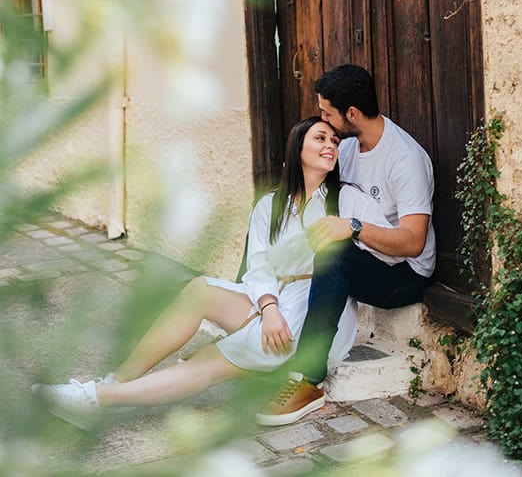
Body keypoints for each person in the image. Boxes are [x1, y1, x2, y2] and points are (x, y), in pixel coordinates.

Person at [32, 117, 361, 430]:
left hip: (310, 311)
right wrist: (269, 307)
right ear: (297, 147)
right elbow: (258, 265)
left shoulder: (341, 202)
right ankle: (116, 382)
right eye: (320, 138)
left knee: (207, 361)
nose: (330, 144)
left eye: (334, 140)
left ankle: (97, 400)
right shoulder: (270, 206)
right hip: (273, 299)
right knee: (199, 289)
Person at [256, 64, 436, 427]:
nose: (321, 118)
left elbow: (414, 243)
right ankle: (252, 335)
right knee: (271, 214)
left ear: (351, 114)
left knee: (334, 254)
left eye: (327, 113)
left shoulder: (405, 159)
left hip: (402, 274)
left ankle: (307, 380)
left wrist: (353, 228)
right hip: (364, 256)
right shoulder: (348, 148)